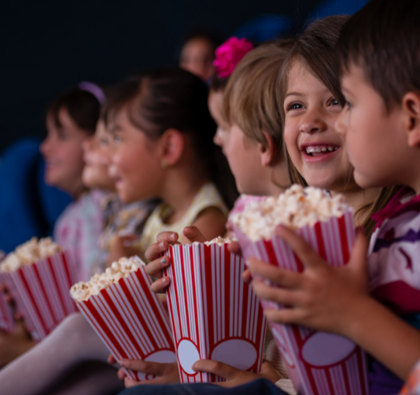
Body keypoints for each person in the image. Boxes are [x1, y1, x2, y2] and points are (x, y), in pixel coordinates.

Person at [248, 4, 420, 395]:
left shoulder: (396, 229)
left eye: (344, 102)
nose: (322, 121)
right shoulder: (393, 226)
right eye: (295, 106)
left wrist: (351, 312)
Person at [115, 39, 296, 394]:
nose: (216, 140)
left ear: (264, 143)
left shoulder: (303, 226)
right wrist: (203, 282)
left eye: (225, 127)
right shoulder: (245, 214)